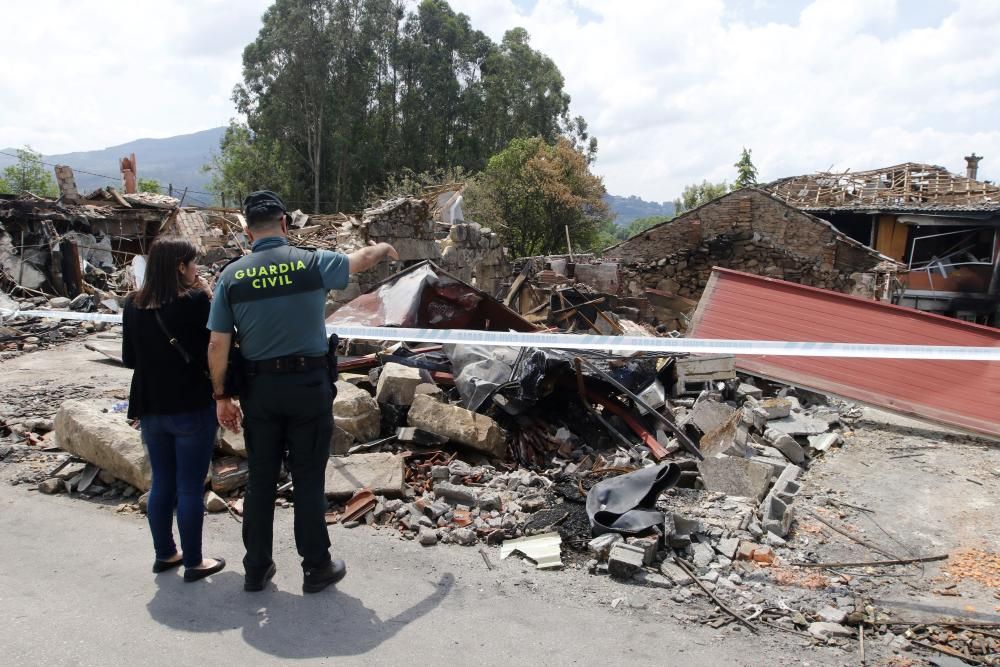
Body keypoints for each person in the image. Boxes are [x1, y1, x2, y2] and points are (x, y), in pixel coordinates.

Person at [207, 191, 398, 594]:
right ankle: (316, 567)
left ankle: (256, 569)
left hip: (259, 391)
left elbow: (217, 345)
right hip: (308, 387)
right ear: (284, 224)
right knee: (309, 480)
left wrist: (221, 396)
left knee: (259, 481)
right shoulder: (311, 263)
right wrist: (383, 247)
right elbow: (360, 260)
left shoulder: (231, 276)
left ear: (246, 230)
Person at [122, 237, 225, 583]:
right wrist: (207, 293)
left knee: (162, 482)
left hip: (151, 407)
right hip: (191, 404)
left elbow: (129, 359)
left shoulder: (132, 304)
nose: (197, 269)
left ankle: (165, 553)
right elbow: (215, 344)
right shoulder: (195, 301)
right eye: (193, 263)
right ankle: (195, 561)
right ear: (181, 267)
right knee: (190, 487)